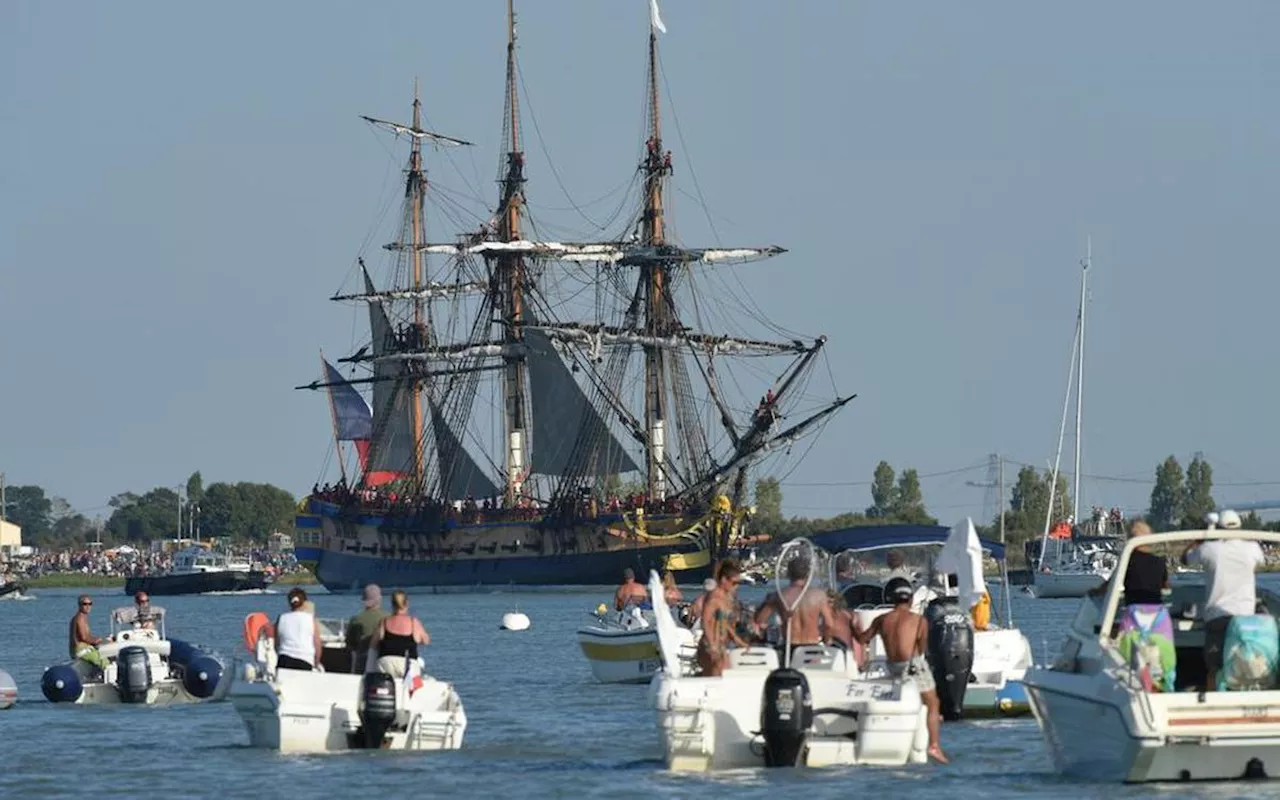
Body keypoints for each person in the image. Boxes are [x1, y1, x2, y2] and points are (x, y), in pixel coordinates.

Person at [855, 578, 948, 764]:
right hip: (911, 666)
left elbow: (863, 639)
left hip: (892, 667)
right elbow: (921, 650)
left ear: (892, 599)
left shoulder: (881, 619)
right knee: (933, 703)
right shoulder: (919, 620)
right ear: (911, 599)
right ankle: (934, 746)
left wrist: (853, 627)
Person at [1181, 509, 1266, 689]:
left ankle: (1213, 704)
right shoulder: (1252, 548)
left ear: (1218, 528)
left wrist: (1202, 535)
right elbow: (1262, 561)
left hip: (1217, 618)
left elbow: (1185, 559)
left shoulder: (1210, 549)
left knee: (1214, 668)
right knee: (1247, 668)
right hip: (1246, 620)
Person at [752, 556, 836, 661]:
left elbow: (760, 620)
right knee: (812, 675)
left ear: (788, 573)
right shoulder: (819, 595)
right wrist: (826, 639)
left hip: (790, 647)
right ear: (808, 574)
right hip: (812, 647)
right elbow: (829, 624)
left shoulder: (780, 595)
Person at [1088, 520, 1168, 604]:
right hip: (1159, 613)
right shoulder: (1160, 561)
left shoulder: (1129, 560)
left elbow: (1113, 583)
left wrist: (1096, 591)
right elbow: (1165, 586)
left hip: (1135, 612)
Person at [697, 559, 748, 676]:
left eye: (738, 583)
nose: (736, 587)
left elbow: (723, 622)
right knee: (716, 678)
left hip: (720, 646)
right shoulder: (714, 598)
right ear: (724, 579)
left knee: (723, 676)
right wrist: (712, 645)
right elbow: (705, 622)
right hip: (710, 646)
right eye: (734, 583)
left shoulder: (725, 598)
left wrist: (736, 640)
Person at [366, 590, 429, 678]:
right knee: (416, 685)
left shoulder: (384, 622)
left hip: (386, 664)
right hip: (408, 665)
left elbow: (373, 645)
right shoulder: (413, 622)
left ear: (392, 605)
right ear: (407, 603)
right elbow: (426, 641)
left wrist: (369, 671)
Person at [275, 587, 323, 672]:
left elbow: (277, 643)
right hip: (305, 660)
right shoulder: (311, 619)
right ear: (304, 603)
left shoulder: (281, 618)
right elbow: (317, 645)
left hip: (284, 659)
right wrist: (316, 662)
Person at [346, 583, 387, 673]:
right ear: (379, 599)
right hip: (382, 663)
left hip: (361, 664)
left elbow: (350, 645)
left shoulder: (356, 619)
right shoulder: (388, 619)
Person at [68, 595, 107, 672]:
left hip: (84, 648)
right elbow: (84, 638)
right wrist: (97, 640)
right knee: (105, 662)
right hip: (80, 649)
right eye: (85, 604)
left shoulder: (83, 617)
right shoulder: (80, 618)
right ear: (79, 605)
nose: (88, 606)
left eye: (90, 604)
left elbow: (87, 637)